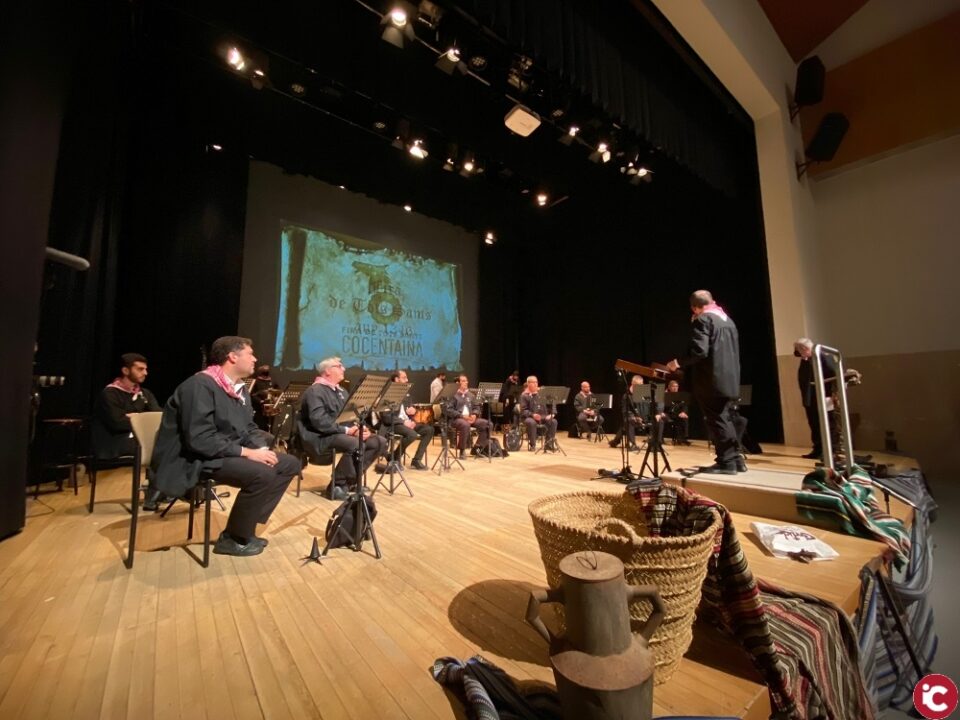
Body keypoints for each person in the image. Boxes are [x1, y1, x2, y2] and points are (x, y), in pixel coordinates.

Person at [151, 337, 299, 557]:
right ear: (232, 356)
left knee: (289, 464)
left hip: (221, 451)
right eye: (250, 353)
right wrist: (248, 453)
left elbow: (247, 428)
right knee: (262, 474)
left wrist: (259, 449)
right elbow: (199, 439)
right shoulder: (199, 385)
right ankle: (233, 538)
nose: (255, 359)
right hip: (193, 458)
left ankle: (246, 522)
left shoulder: (238, 389)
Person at [666, 290, 744, 474]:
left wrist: (676, 363)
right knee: (726, 419)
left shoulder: (704, 320)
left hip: (712, 380)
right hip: (730, 379)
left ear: (695, 307)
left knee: (717, 420)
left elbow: (700, 351)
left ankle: (727, 463)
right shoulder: (727, 320)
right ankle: (736, 460)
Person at [298, 356, 388, 499]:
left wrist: (360, 428)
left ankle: (350, 481)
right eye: (339, 366)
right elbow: (320, 422)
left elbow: (350, 417)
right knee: (354, 444)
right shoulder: (315, 391)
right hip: (319, 437)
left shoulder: (342, 392)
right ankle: (337, 485)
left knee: (379, 442)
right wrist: (348, 431)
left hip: (339, 434)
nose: (344, 368)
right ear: (327, 371)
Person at [91, 352, 161, 460]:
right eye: (140, 369)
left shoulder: (145, 393)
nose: (145, 373)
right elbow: (118, 423)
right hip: (115, 443)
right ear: (125, 371)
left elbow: (157, 416)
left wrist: (136, 417)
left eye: (145, 369)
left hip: (138, 438)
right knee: (156, 446)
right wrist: (142, 419)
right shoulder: (110, 393)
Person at [794, 337, 840, 460]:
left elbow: (836, 374)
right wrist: (804, 359)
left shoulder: (824, 356)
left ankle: (831, 451)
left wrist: (834, 394)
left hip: (825, 395)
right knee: (814, 424)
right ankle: (818, 449)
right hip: (810, 398)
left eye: (800, 350)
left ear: (805, 348)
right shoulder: (806, 359)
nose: (798, 352)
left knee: (828, 423)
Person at [379, 370, 434, 470]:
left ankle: (416, 460)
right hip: (394, 424)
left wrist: (413, 413)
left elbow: (409, 411)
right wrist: (404, 422)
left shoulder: (406, 394)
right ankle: (394, 458)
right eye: (404, 378)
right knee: (412, 434)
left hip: (407, 423)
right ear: (396, 379)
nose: (407, 380)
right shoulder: (387, 393)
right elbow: (386, 417)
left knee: (429, 430)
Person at [444, 374, 491, 459]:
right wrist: (462, 416)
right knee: (465, 425)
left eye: (466, 380)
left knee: (487, 424)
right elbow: (449, 410)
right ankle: (462, 450)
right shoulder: (453, 395)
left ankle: (477, 448)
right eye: (463, 381)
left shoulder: (471, 395)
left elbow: (477, 407)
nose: (466, 382)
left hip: (470, 418)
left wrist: (474, 414)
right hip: (457, 419)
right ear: (458, 383)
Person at [609, 375, 661, 451]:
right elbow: (625, 411)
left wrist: (657, 413)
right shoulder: (626, 396)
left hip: (645, 418)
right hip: (633, 419)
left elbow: (653, 404)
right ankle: (632, 444)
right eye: (638, 385)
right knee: (628, 421)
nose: (641, 387)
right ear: (633, 384)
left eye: (641, 384)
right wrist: (635, 417)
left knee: (660, 420)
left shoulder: (645, 393)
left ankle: (653, 445)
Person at [519, 376, 558, 452]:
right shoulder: (524, 395)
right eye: (533, 382)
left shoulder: (542, 393)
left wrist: (552, 414)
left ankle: (548, 444)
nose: (536, 384)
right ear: (528, 384)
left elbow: (553, 404)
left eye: (536, 382)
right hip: (529, 417)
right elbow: (523, 410)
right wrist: (533, 415)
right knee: (531, 422)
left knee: (553, 421)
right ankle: (532, 445)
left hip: (543, 416)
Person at [250, 364, 280, 432]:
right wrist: (261, 401)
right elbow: (252, 395)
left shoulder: (272, 381)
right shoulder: (256, 382)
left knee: (269, 427)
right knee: (260, 427)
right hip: (259, 409)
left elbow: (278, 391)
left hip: (271, 407)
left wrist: (275, 398)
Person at [663, 379, 691, 445]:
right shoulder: (665, 395)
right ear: (669, 387)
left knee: (685, 418)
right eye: (673, 386)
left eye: (677, 386)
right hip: (667, 414)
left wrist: (683, 412)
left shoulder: (680, 395)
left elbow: (685, 405)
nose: (675, 388)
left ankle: (682, 438)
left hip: (677, 414)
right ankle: (660, 439)